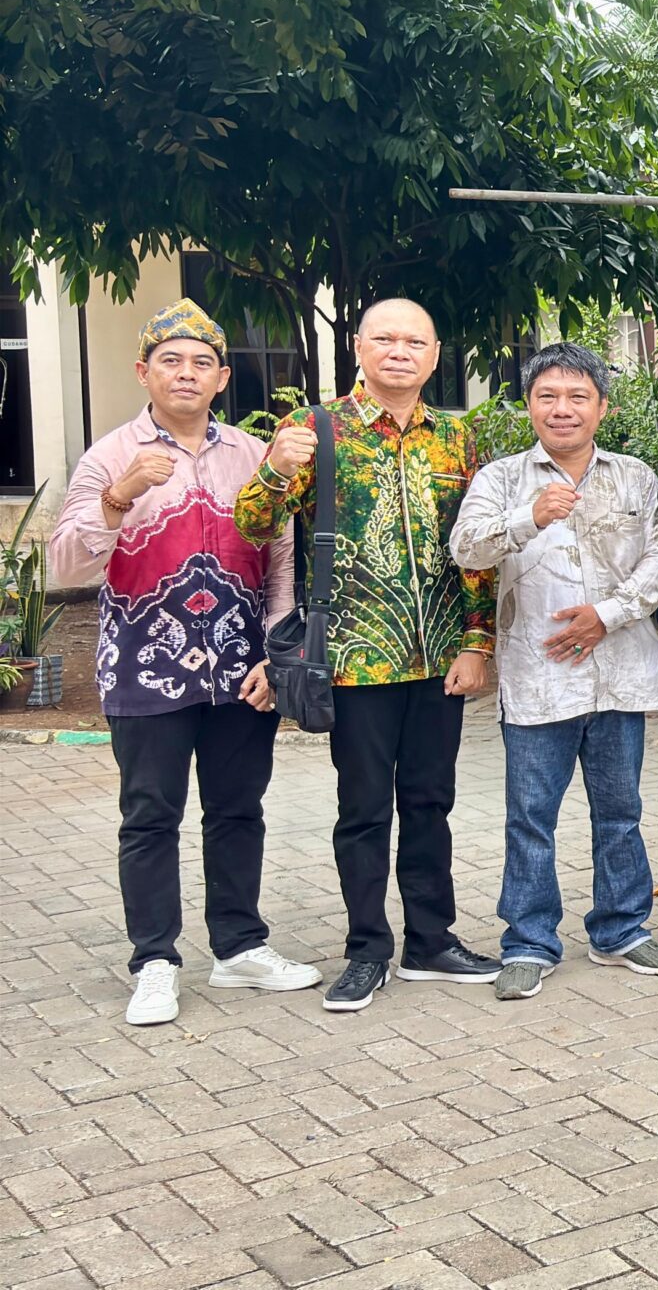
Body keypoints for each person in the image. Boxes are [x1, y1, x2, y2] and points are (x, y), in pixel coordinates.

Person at [49, 300, 320, 1025]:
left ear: (223, 377)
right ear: (144, 372)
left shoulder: (252, 457)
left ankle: (237, 948)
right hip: (144, 669)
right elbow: (68, 565)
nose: (186, 373)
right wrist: (120, 496)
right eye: (171, 360)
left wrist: (275, 650)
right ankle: (156, 961)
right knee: (150, 817)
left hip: (241, 671)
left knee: (238, 811)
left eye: (202, 362)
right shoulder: (111, 455)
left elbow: (283, 561)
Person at [233, 299, 500, 1012]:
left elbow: (475, 553)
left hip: (440, 658)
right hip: (355, 661)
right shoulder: (314, 429)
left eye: (415, 341)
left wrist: (477, 642)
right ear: (359, 347)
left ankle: (431, 941)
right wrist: (272, 472)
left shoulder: (458, 440)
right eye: (385, 339)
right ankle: (367, 949)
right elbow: (255, 525)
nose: (400, 352)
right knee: (362, 811)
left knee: (430, 803)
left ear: (436, 355)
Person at [450, 344, 658, 1000]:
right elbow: (465, 548)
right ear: (528, 405)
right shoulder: (500, 479)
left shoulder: (635, 477)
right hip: (537, 675)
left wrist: (606, 615)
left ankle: (621, 929)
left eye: (578, 397)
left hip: (618, 669)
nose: (563, 409)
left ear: (601, 407)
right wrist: (531, 518)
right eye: (548, 396)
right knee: (531, 815)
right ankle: (529, 940)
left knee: (621, 811)